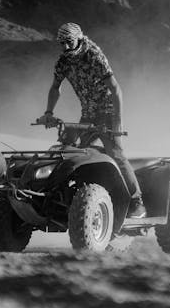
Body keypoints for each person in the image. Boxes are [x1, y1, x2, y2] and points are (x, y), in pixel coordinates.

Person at [37, 22, 146, 219]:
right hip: (88, 113)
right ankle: (75, 199)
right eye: (62, 43)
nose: (65, 47)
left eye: (69, 42)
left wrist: (117, 122)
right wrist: (48, 112)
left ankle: (137, 202)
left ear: (79, 39)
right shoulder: (63, 61)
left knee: (116, 153)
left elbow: (115, 89)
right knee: (76, 153)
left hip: (107, 113)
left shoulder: (94, 55)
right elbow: (55, 88)